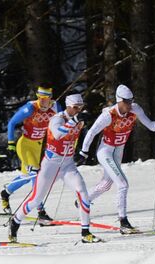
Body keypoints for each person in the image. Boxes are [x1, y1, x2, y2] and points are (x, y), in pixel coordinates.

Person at [7, 93, 98, 243]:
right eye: (76, 107)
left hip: (67, 164)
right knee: (36, 199)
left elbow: (77, 137)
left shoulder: (79, 119)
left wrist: (81, 153)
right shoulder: (57, 118)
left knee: (82, 192)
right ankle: (15, 221)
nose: (78, 110)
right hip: (50, 164)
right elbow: (56, 134)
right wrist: (74, 121)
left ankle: (85, 233)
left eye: (81, 107)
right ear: (68, 107)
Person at [79, 84, 155, 233]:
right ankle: (123, 222)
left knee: (105, 185)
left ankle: (84, 201)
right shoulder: (108, 115)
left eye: (131, 101)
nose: (130, 104)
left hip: (118, 151)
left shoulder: (135, 109)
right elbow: (91, 132)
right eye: (127, 101)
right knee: (123, 184)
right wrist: (83, 152)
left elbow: (151, 126)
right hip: (105, 152)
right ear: (119, 100)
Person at [0, 85, 60, 220]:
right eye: (42, 99)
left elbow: (62, 123)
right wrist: (10, 143)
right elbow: (11, 123)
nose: (45, 103)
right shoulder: (30, 108)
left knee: (26, 176)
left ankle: (5, 193)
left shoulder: (55, 107)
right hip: (25, 145)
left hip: (38, 146)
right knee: (35, 175)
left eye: (48, 99)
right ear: (38, 98)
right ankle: (41, 212)